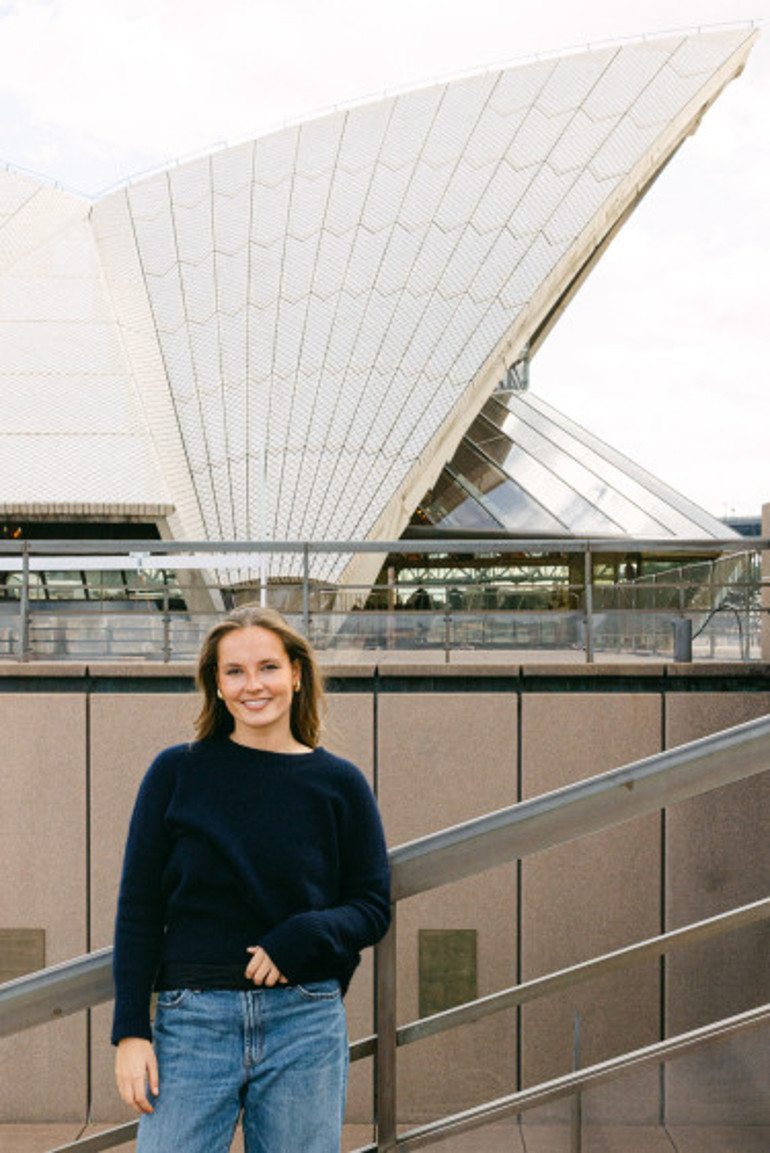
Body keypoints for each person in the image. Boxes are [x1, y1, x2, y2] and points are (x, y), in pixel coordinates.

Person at [112, 605, 391, 1151]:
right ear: (216, 685)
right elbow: (139, 906)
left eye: (267, 667)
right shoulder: (177, 771)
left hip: (304, 1021)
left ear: (296, 673)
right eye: (234, 672)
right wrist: (130, 1031)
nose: (252, 685)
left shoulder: (339, 784)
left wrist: (306, 932)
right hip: (191, 1021)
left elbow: (372, 904)